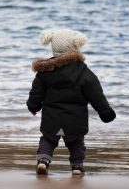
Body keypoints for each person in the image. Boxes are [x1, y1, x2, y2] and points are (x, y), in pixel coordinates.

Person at [27, 29, 116, 175]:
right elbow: (96, 96)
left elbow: (36, 94)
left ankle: (43, 160)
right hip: (75, 120)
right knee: (76, 143)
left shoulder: (44, 72)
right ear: (75, 47)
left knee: (48, 140)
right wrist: (105, 112)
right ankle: (76, 166)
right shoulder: (85, 73)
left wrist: (33, 106)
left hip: (51, 118)